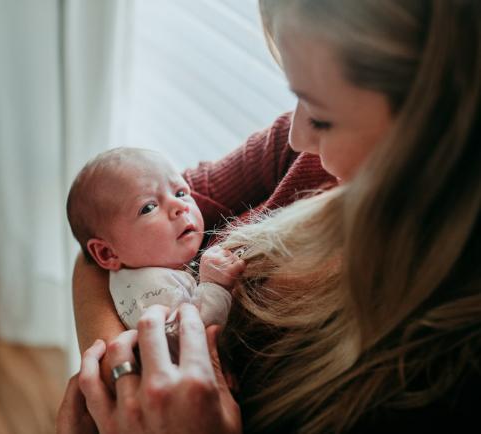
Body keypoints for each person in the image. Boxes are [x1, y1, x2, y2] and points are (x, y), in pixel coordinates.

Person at [58, 0, 481, 433]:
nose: (297, 135)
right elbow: (105, 230)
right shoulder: (300, 156)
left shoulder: (448, 371)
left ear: (437, 130)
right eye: (296, 95)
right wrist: (127, 377)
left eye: (322, 115)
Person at [66, 147, 245, 332]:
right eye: (148, 207)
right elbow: (190, 337)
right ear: (107, 252)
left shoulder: (150, 266)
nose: (180, 205)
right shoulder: (150, 290)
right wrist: (215, 285)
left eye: (181, 193)